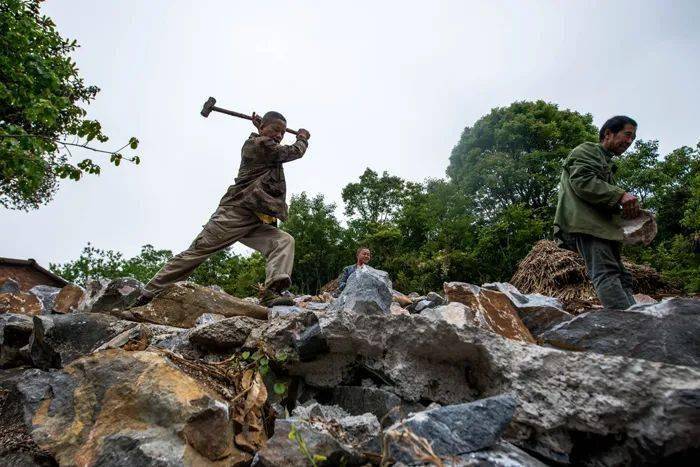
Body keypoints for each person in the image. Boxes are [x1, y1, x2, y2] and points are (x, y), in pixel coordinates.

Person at [133, 111, 311, 308]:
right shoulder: (257, 145)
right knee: (197, 252)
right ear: (262, 128)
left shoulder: (263, 143)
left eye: (283, 133)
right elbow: (292, 152)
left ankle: (272, 293)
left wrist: (263, 129)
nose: (279, 135)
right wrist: (302, 138)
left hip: (255, 218)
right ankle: (147, 294)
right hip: (234, 214)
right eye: (275, 130)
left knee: (283, 241)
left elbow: (271, 143)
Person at [554, 115, 640, 310]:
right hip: (588, 226)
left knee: (622, 277)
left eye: (633, 138)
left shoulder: (604, 161)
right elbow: (583, 182)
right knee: (606, 273)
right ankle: (628, 327)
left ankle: (636, 318)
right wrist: (620, 195)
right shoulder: (587, 150)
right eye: (627, 135)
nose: (629, 142)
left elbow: (602, 196)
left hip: (601, 227)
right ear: (608, 133)